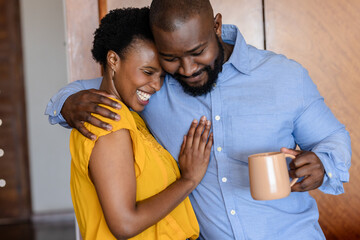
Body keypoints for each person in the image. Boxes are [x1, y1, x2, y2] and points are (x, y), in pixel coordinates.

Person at [45, 0, 352, 239]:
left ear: (216, 26)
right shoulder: (154, 88)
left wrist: (323, 165)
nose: (188, 68)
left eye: (198, 51)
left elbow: (334, 140)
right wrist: (67, 104)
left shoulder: (285, 76)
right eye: (171, 58)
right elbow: (97, 87)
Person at [68, 7, 213, 240]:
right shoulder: (107, 123)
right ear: (113, 60)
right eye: (147, 72)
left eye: (162, 76)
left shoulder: (129, 116)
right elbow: (124, 224)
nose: (156, 85)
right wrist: (189, 180)